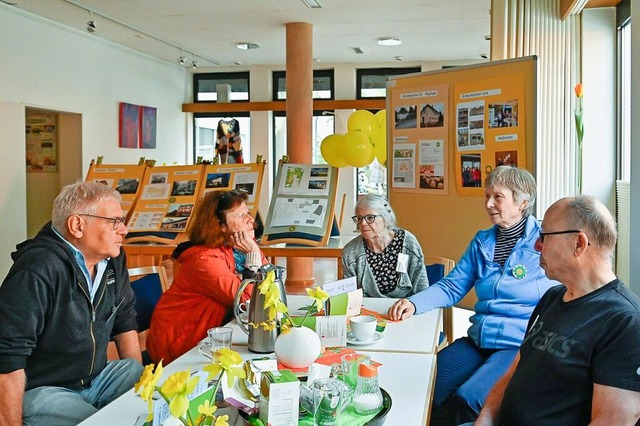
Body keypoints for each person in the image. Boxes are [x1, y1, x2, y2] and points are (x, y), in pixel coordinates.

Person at [388, 166, 558, 426]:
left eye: (497, 197)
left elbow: (564, 290)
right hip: (479, 339)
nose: (488, 204)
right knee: (423, 384)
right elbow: (452, 286)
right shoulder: (483, 242)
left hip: (516, 345)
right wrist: (414, 302)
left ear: (523, 202)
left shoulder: (544, 241)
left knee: (469, 399)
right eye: (486, 196)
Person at [476, 195, 640, 425]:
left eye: (543, 236)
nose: (536, 245)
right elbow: (512, 373)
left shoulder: (626, 322)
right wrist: (486, 418)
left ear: (579, 244)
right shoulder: (552, 297)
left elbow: (613, 420)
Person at [0, 181, 144, 425]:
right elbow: (7, 356)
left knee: (135, 374)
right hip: (45, 388)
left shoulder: (112, 258)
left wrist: (142, 393)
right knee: (103, 422)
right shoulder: (38, 268)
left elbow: (124, 318)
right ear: (77, 225)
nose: (124, 230)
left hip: (96, 378)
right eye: (114, 222)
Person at [146, 189, 266, 364]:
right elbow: (249, 302)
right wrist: (253, 255)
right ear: (220, 226)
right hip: (181, 343)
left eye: (247, 213)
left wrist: (254, 252)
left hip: (210, 334)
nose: (250, 220)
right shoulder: (204, 259)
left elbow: (270, 282)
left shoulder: (233, 247)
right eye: (241, 216)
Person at [342, 194, 428, 298]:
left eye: (370, 218)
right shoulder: (350, 252)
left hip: (406, 308)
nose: (363, 223)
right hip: (368, 310)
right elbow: (350, 296)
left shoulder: (408, 242)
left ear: (385, 218)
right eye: (359, 218)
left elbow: (421, 288)